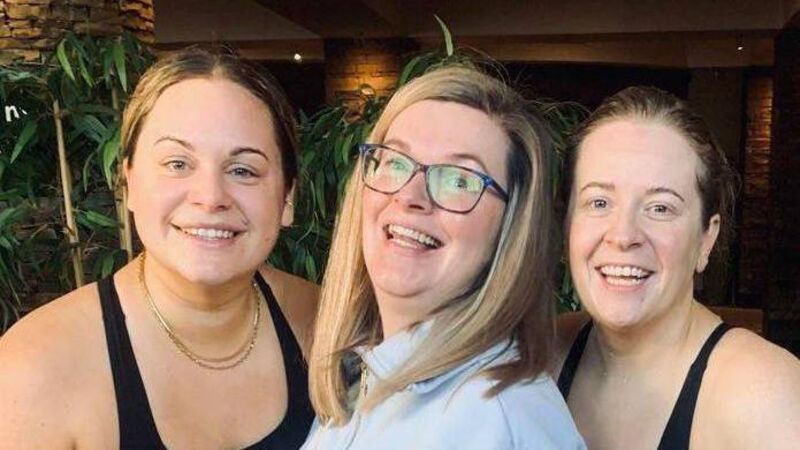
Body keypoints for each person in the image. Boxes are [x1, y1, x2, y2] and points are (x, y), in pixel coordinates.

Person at [0, 48, 318, 449]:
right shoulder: (35, 368)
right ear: (129, 182)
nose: (210, 197)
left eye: (243, 170)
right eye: (177, 164)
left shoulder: (326, 327)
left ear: (287, 197)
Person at [301, 65, 586, 449]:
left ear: (511, 229)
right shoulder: (366, 375)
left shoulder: (498, 417)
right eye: (395, 162)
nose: (410, 196)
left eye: (458, 179)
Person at [556, 86, 800, 450]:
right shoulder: (543, 354)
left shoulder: (765, 394)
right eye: (599, 202)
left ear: (706, 238)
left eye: (660, 208)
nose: (623, 236)